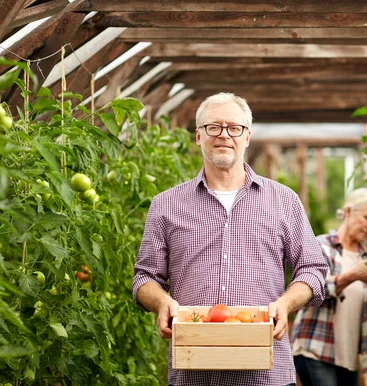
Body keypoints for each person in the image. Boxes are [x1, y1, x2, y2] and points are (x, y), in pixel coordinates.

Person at [132, 92, 328, 386]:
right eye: (214, 127)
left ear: (247, 137)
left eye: (234, 128)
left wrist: (285, 304)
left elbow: (313, 269)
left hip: (267, 374)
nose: (224, 135)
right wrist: (161, 302)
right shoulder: (166, 205)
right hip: (193, 373)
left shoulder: (284, 201)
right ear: (199, 136)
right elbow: (145, 276)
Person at [291, 188, 367, 386]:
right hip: (315, 348)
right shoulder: (320, 246)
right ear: (349, 211)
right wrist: (352, 275)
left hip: (348, 356)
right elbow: (311, 290)